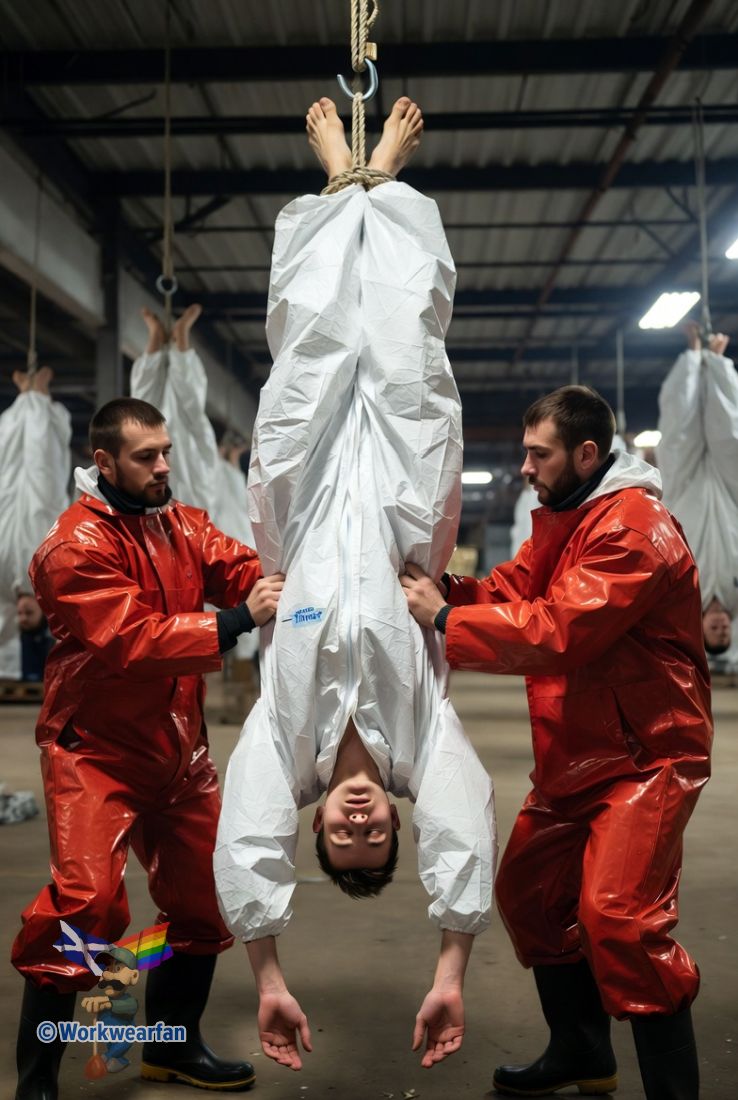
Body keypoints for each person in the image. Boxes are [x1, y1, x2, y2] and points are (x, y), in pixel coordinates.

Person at [214, 97, 496, 1073]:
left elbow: (246, 841)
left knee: (314, 345)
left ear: (321, 830)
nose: (362, 823)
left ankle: (343, 175)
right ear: (397, 825)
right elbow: (465, 830)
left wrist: (270, 979)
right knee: (407, 343)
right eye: (380, 840)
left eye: (345, 841)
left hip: (300, 510)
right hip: (405, 508)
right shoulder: (426, 745)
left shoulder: (280, 749)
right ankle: (384, 177)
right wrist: (451, 968)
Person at [400, 385, 712, 1100]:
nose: (526, 467)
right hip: (577, 750)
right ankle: (582, 1052)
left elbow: (561, 629)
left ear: (586, 454)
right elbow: (514, 591)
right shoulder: (571, 519)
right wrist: (444, 589)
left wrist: (445, 619)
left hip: (645, 757)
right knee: (531, 893)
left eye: (538, 454)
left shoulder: (634, 529)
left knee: (620, 920)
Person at [11, 396, 284, 1097]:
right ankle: (37, 1079)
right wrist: (234, 621)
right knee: (85, 907)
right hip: (95, 754)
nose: (163, 466)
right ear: (104, 462)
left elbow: (239, 566)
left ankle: (173, 1046)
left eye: (165, 451)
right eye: (145, 456)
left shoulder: (180, 522)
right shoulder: (73, 548)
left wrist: (305, 575)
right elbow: (132, 639)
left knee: (206, 898)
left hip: (179, 753)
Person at [657, 323, 738, 660]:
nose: (720, 627)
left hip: (684, 490)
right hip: (729, 493)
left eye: (714, 633)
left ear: (701, 627)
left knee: (677, 432)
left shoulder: (684, 595)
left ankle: (692, 357)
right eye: (725, 633)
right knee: (731, 433)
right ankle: (718, 362)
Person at [0, 366, 70, 680]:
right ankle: (40, 393)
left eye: (20, 618)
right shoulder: (53, 583)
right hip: (44, 505)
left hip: (10, 505)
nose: (23, 615)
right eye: (30, 618)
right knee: (42, 458)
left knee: (8, 458)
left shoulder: (6, 587)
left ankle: (22, 397)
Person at [130, 302, 219, 511]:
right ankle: (179, 335)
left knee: (147, 410)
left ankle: (160, 337)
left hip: (168, 474)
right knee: (180, 409)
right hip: (188, 485)